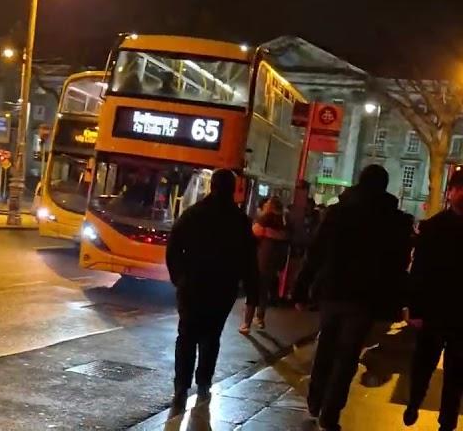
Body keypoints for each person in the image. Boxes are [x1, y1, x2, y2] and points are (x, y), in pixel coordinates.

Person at [293, 165, 413, 431]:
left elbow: (316, 253)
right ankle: (331, 412)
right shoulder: (394, 220)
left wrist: (300, 288)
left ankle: (315, 401)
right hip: (365, 297)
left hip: (333, 290)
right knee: (347, 355)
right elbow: (398, 265)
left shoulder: (338, 213)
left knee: (326, 346)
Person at [166, 169, 259, 409]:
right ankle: (204, 382)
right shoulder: (239, 221)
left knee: (186, 336)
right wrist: (252, 291)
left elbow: (173, 246)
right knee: (211, 337)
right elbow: (249, 260)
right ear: (232, 189)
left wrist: (179, 277)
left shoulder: (193, 214)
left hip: (193, 286)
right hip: (223, 288)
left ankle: (181, 387)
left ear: (212, 186)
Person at [404, 170, 463, 431]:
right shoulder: (434, 227)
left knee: (456, 372)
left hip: (458, 313)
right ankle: (415, 401)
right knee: (424, 363)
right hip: (435, 308)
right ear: (450, 193)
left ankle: (447, 421)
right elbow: (420, 270)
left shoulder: (434, 226)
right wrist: (414, 308)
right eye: (458, 189)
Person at [250, 196, 289, 330]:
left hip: (261, 257)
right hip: (273, 260)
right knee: (264, 289)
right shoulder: (282, 222)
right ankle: (260, 316)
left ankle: (249, 318)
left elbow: (254, 233)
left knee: (255, 287)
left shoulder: (264, 219)